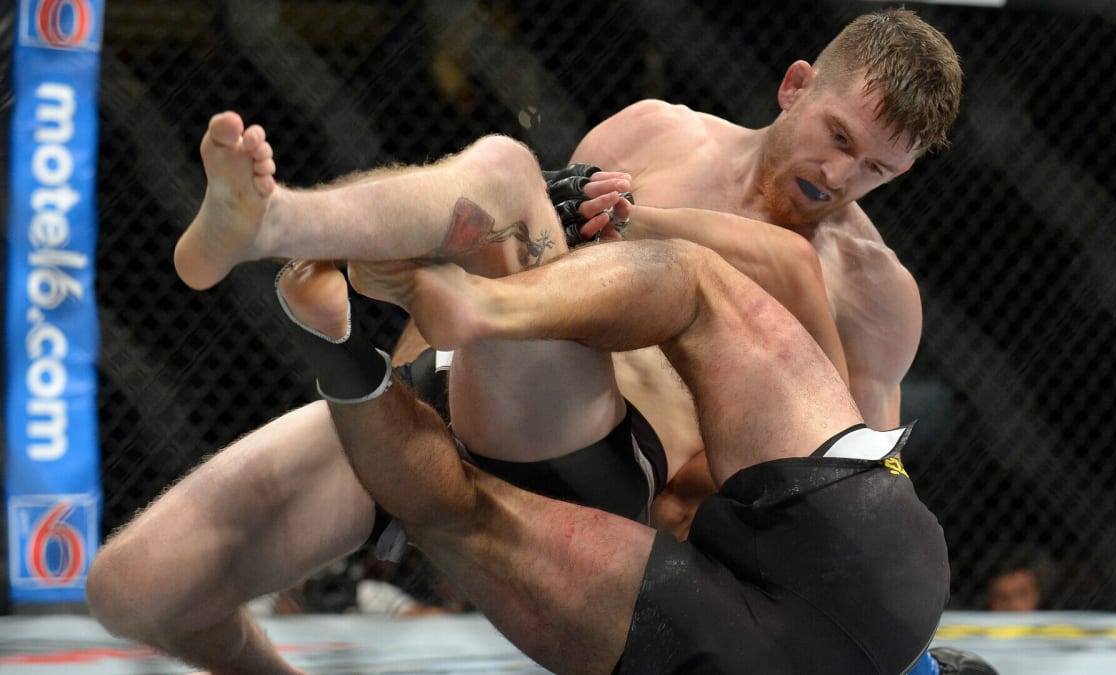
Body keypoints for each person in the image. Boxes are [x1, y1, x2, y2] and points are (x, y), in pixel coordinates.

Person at [87, 7, 984, 673]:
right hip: (482, 385)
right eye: (838, 137)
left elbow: (824, 507)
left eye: (878, 169)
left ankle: (280, 218)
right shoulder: (653, 132)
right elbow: (512, 263)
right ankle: (268, 224)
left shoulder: (870, 293)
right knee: (134, 589)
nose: (841, 175)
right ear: (796, 87)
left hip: (606, 480)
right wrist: (399, 419)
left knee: (512, 177)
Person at [273, 235, 949, 674]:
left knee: (698, 287)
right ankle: (338, 346)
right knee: (455, 511)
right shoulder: (830, 266)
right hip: (795, 620)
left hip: (892, 595)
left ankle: (479, 308)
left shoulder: (838, 273)